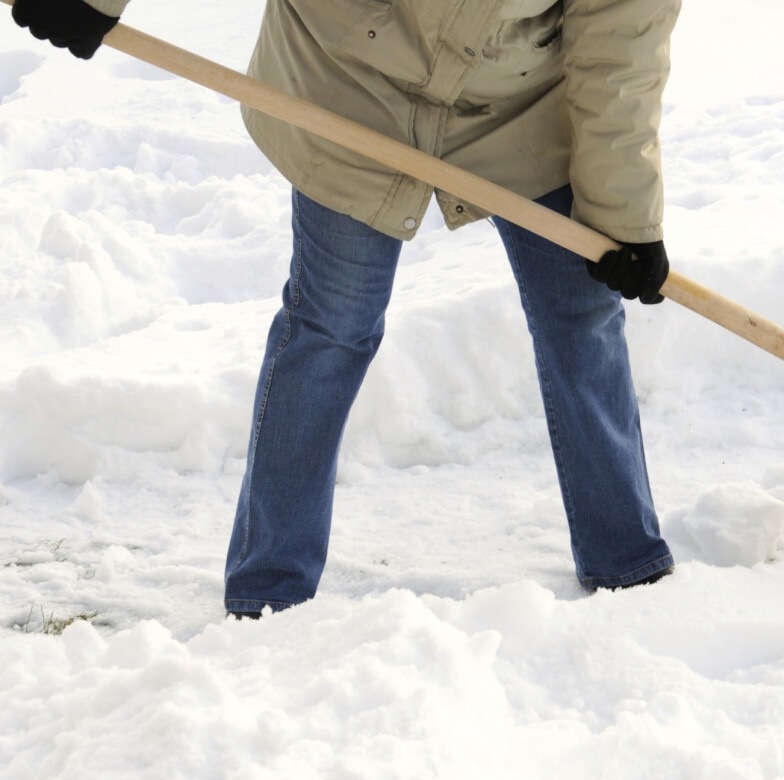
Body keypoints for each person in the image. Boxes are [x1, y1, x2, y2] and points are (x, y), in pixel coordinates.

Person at [14, 0, 681, 615]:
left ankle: (627, 563)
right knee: (331, 324)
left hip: (521, 99)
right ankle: (268, 590)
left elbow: (620, 39)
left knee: (583, 315)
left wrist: (624, 217)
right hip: (347, 78)